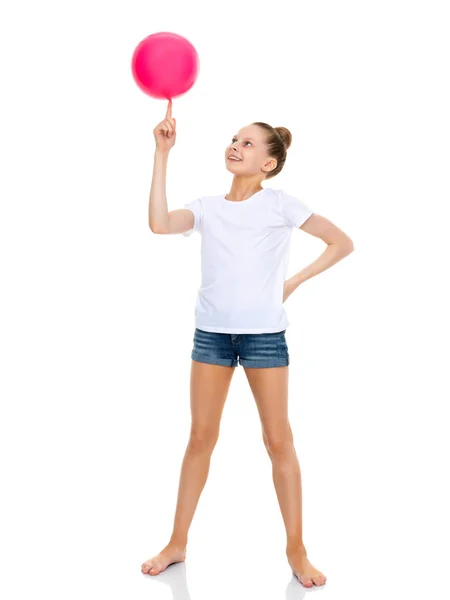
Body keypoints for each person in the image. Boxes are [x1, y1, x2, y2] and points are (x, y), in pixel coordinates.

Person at [142, 100, 354, 587]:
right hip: (211, 336)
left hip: (265, 339)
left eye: (248, 143)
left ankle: (296, 550)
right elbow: (157, 223)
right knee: (200, 438)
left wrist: (296, 280)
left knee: (279, 440)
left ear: (269, 164)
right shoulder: (206, 208)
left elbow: (341, 242)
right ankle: (178, 542)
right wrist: (161, 154)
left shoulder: (280, 203)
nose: (235, 147)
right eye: (234, 140)